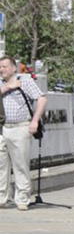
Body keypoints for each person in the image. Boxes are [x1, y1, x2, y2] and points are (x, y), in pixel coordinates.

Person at [0, 56, 47, 211]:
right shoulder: (1, 83)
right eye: (0, 67)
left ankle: (22, 198)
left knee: (20, 165)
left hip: (20, 128)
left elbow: (41, 99)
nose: (1, 69)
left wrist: (35, 120)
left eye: (5, 66)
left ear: (14, 68)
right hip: (3, 128)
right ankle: (2, 198)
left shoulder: (25, 81)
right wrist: (8, 87)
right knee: (1, 166)